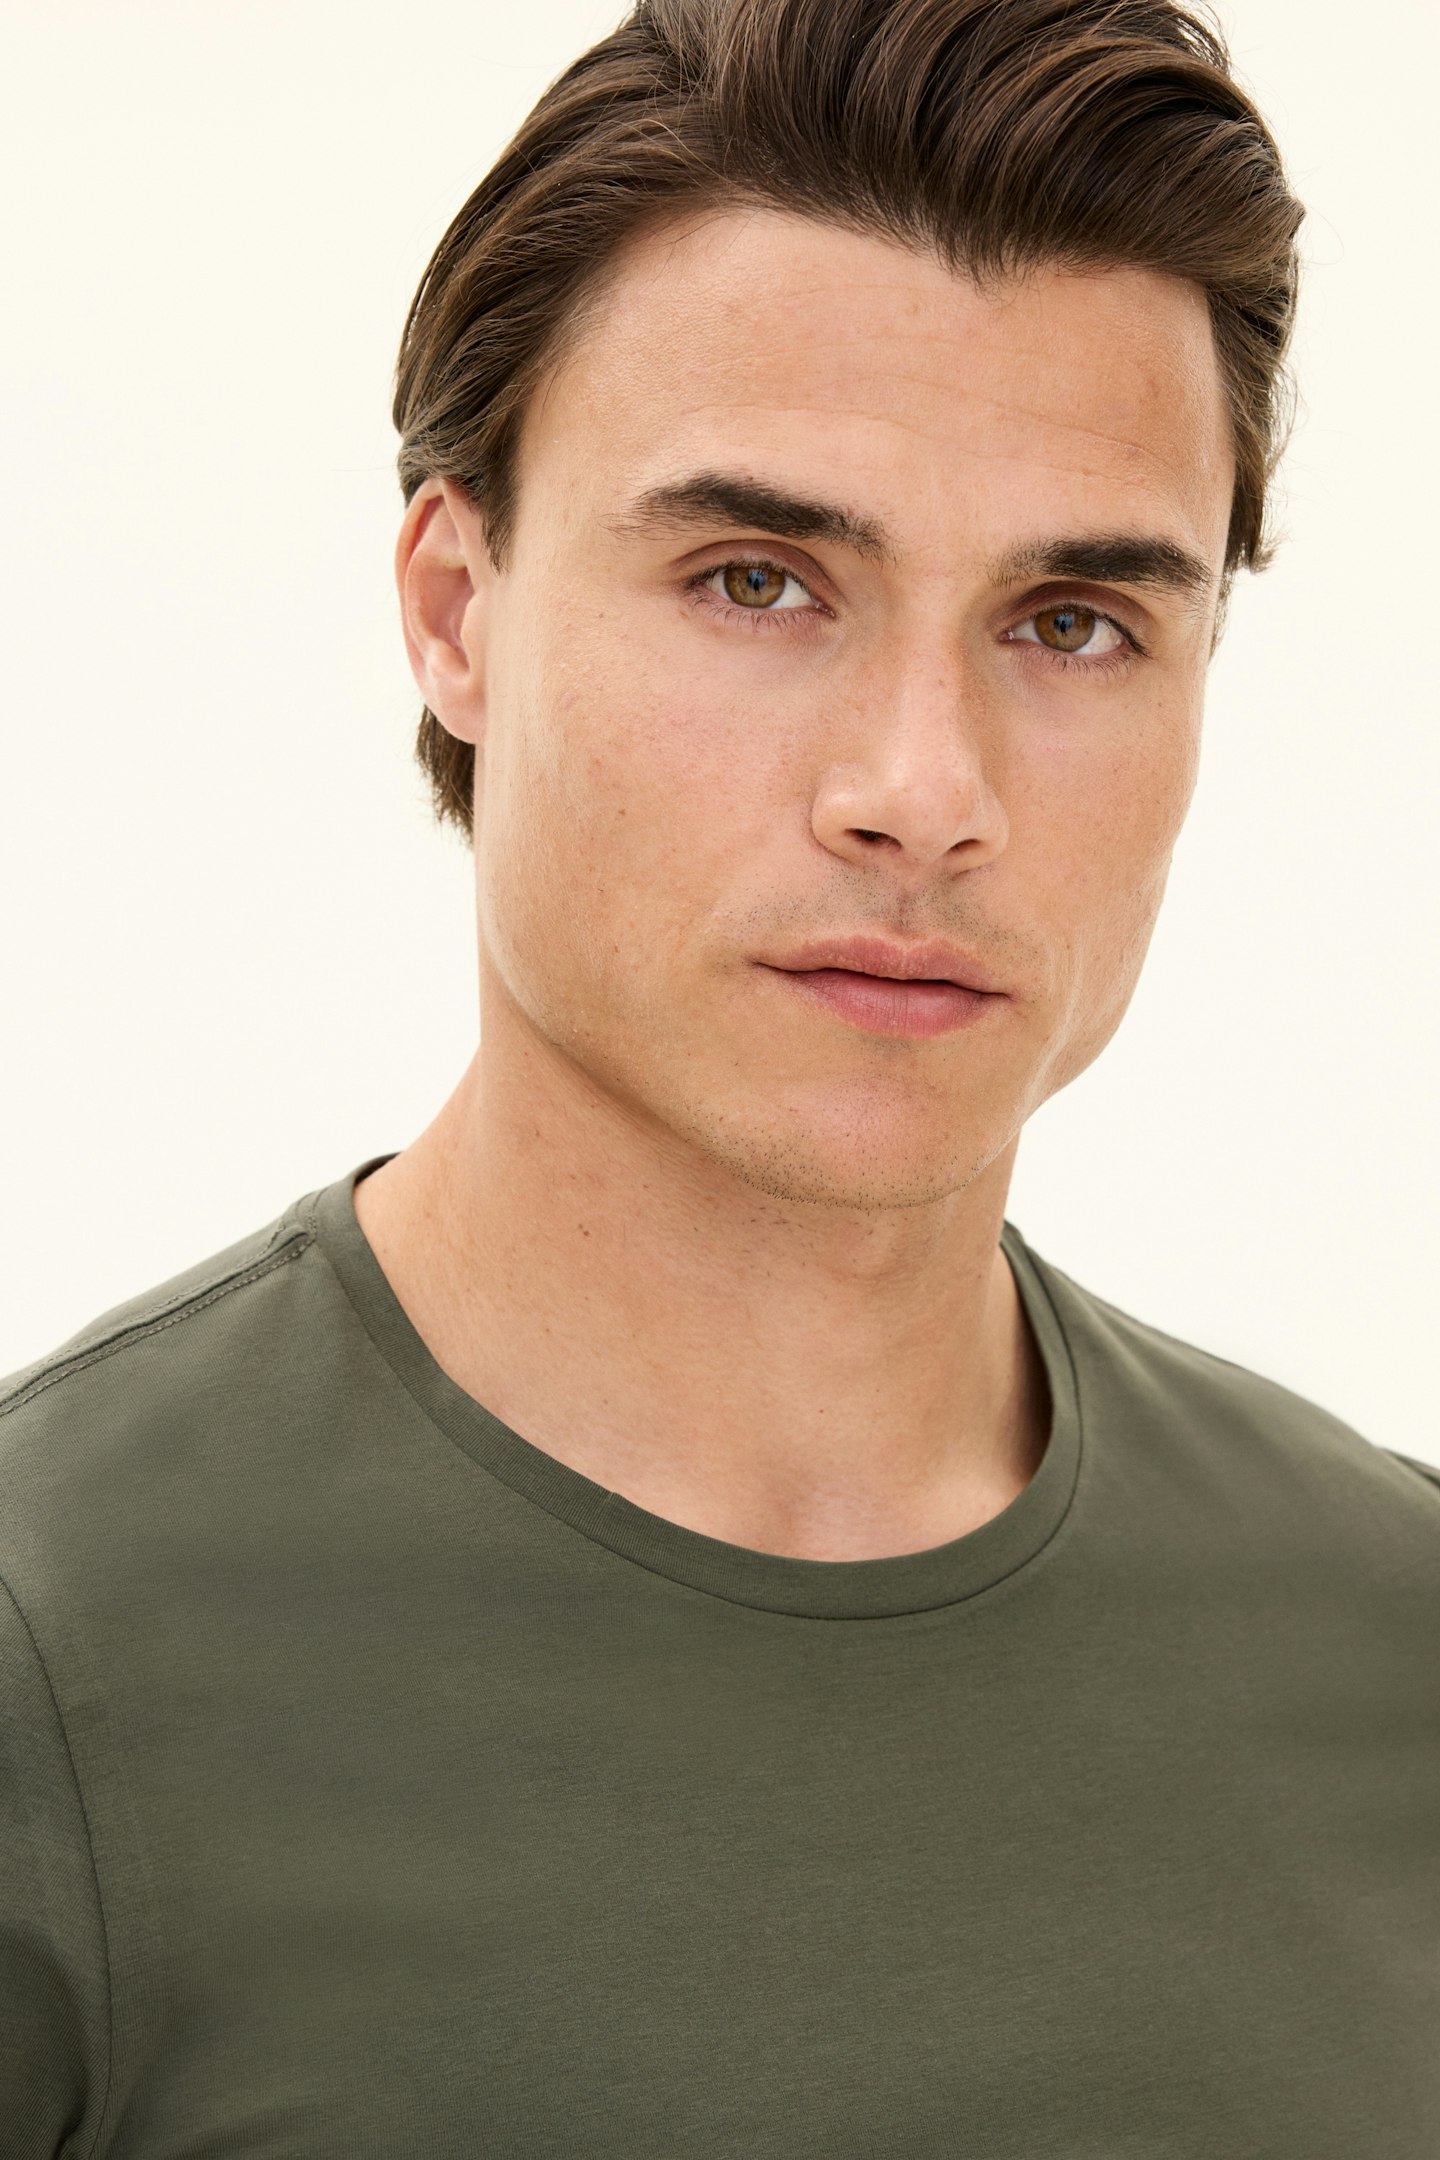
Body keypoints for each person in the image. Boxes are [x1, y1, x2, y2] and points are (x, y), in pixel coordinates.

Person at [3, 0, 1437, 2150]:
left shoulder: (1394, 1649)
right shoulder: (52, 1660)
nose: (923, 790)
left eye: (1071, 621)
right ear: (456, 610)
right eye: (759, 581)